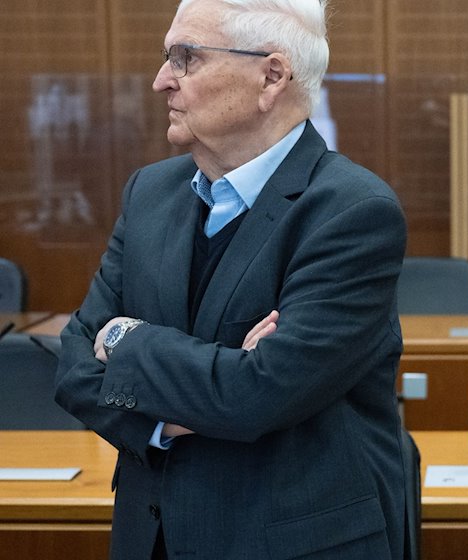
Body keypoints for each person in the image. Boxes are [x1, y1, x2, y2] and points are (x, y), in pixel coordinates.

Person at [54, 0, 408, 558]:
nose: (160, 81)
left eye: (185, 58)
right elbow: (73, 364)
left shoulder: (351, 211)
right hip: (153, 537)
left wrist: (125, 340)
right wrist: (168, 422)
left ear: (270, 76)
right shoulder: (149, 192)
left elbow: (259, 394)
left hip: (287, 541)